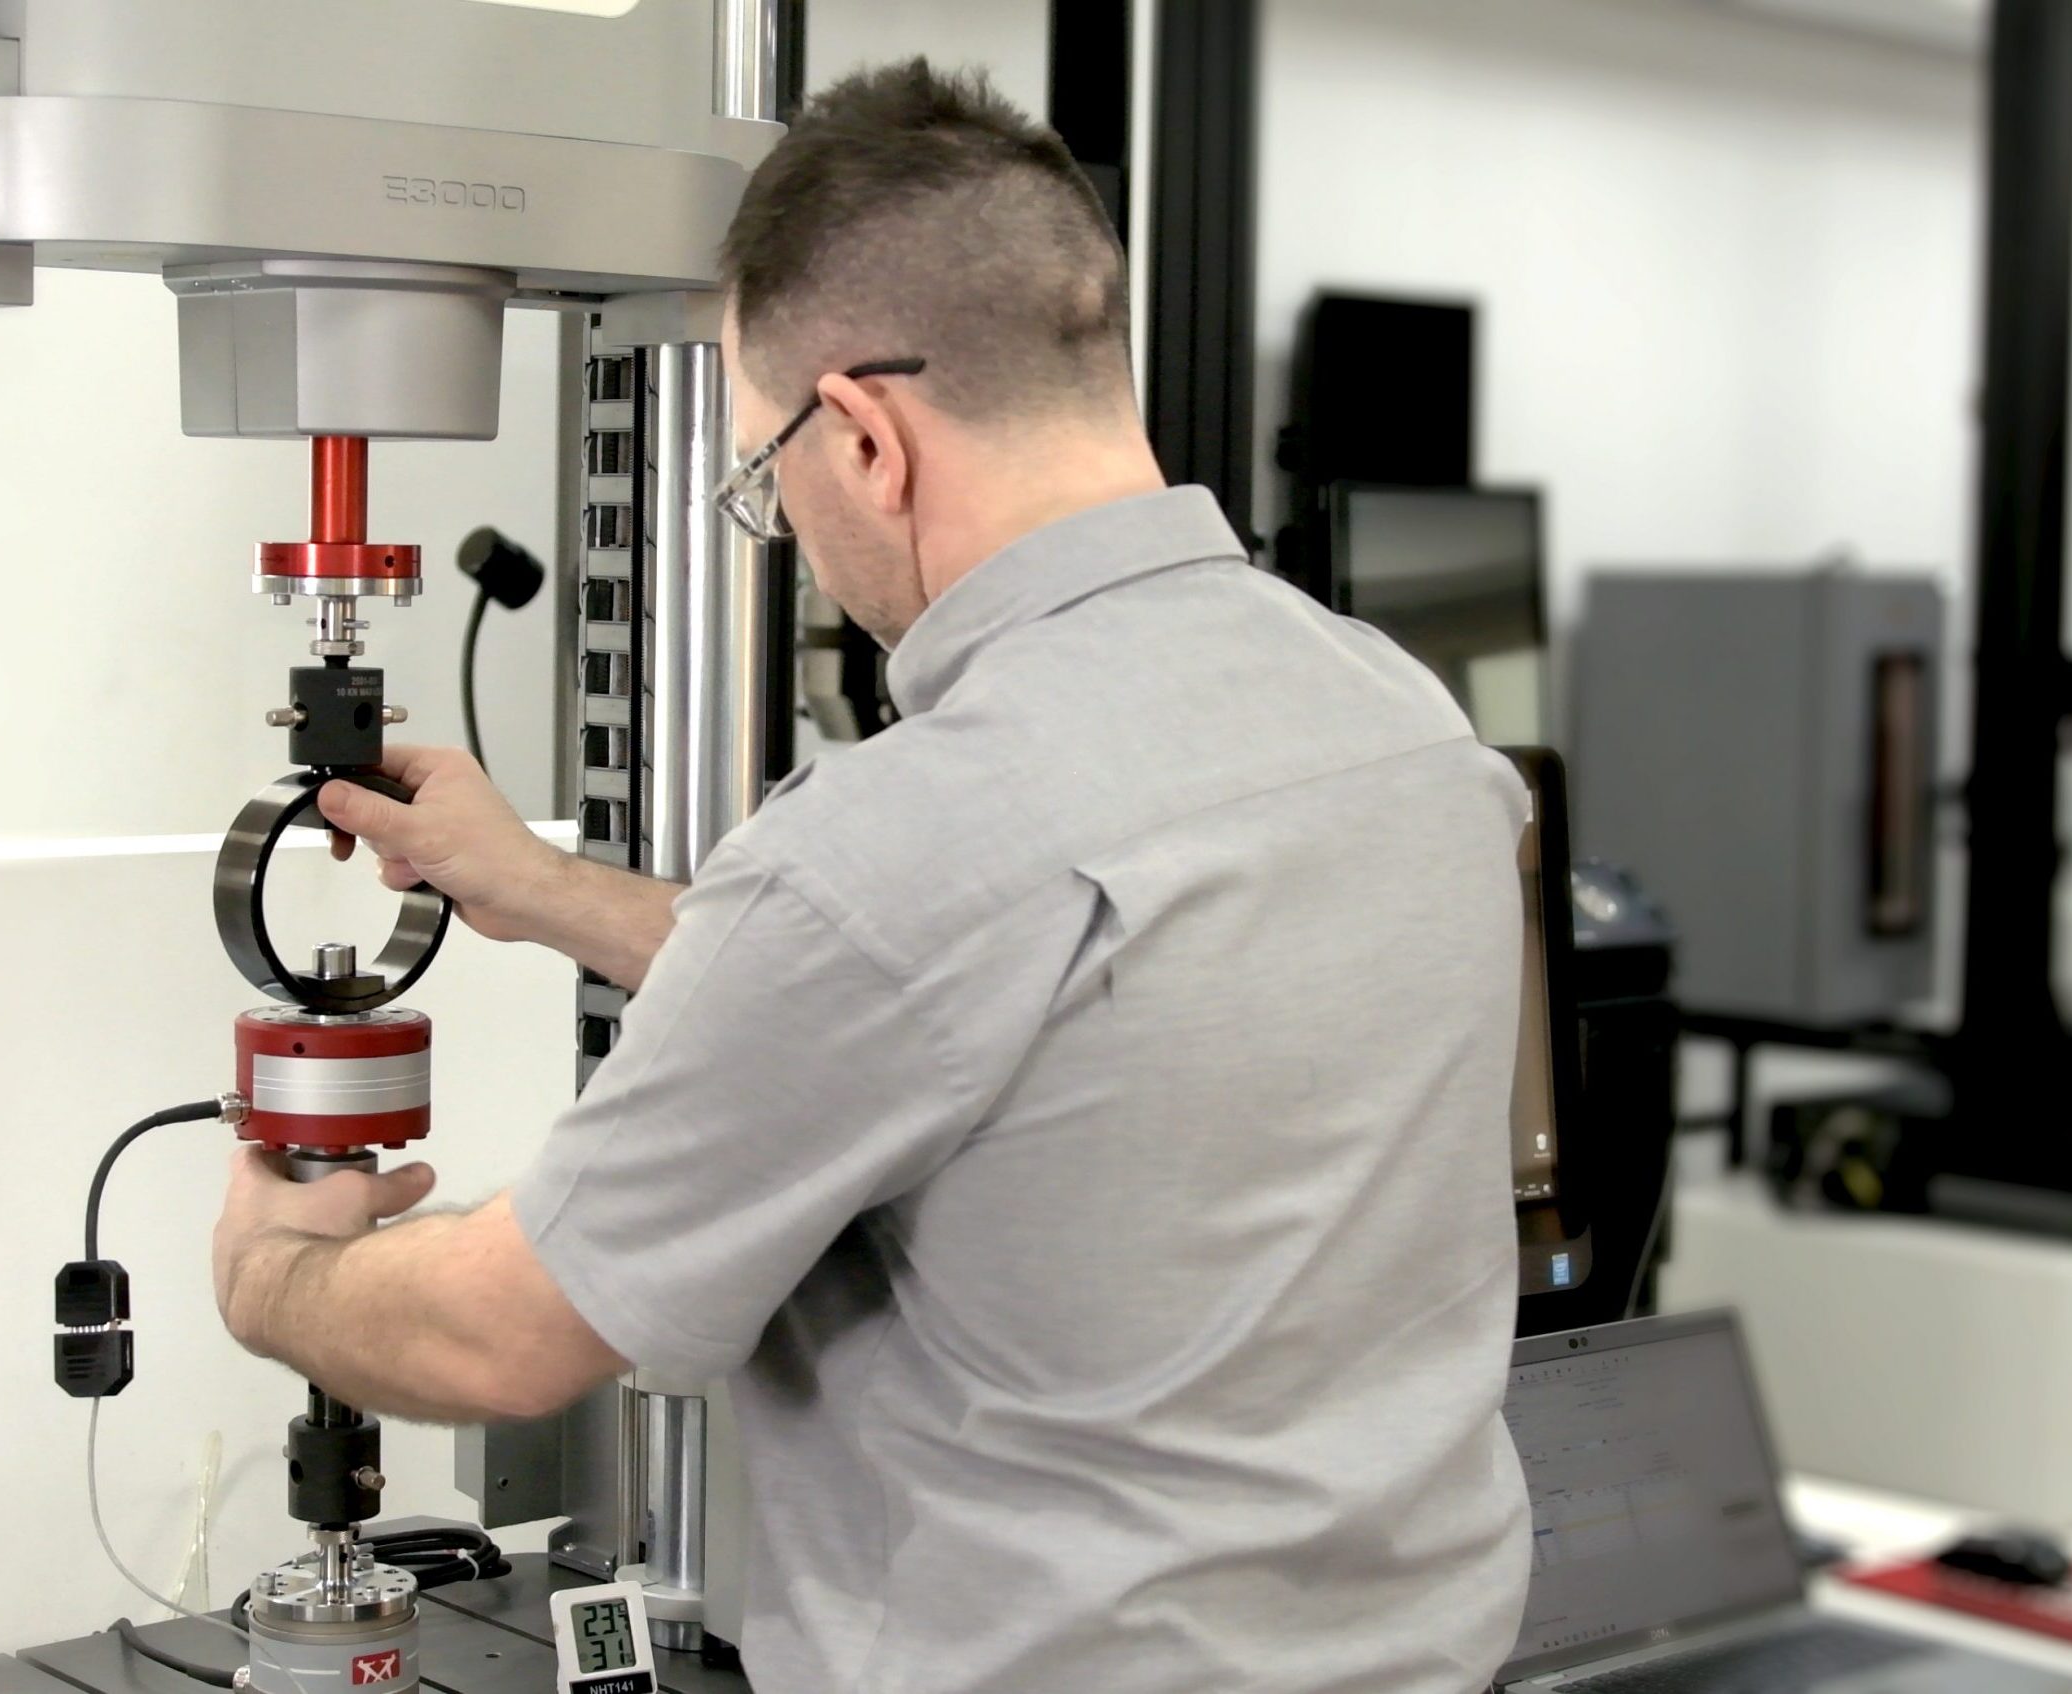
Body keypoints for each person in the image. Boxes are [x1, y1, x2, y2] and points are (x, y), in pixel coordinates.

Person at [210, 58, 1532, 1694]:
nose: (790, 525)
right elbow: (981, 1008)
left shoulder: (900, 844)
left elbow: (506, 1330)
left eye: (763, 478)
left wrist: (273, 1272)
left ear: (862, 434)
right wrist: (547, 891)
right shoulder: (1396, 716)